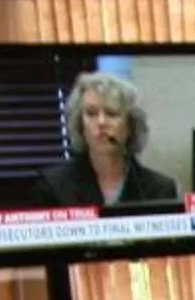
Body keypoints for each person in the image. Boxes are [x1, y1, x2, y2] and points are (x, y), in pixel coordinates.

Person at [26, 70, 179, 208]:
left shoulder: (160, 189)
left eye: (111, 113)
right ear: (80, 124)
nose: (101, 122)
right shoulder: (53, 186)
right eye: (91, 113)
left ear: (130, 126)